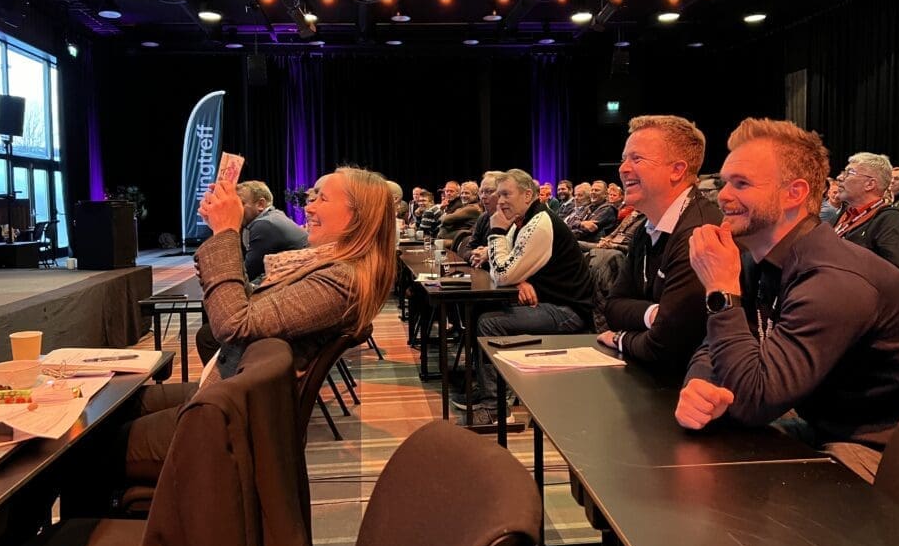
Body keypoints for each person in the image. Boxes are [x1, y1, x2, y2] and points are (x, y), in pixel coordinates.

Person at [676, 119, 899, 483]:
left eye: (741, 183)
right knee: (700, 462)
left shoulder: (833, 279)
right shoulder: (756, 261)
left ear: (794, 193)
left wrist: (720, 289)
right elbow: (714, 346)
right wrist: (701, 385)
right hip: (828, 425)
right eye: (726, 182)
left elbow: (754, 400)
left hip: (897, 452)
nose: (723, 196)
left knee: (736, 491)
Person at [122, 167, 397, 484]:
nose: (308, 207)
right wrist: (222, 234)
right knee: (124, 406)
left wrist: (225, 233)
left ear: (358, 217)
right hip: (232, 394)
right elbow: (251, 305)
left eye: (322, 199)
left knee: (97, 441)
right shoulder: (325, 266)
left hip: (233, 422)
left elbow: (233, 323)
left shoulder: (341, 280)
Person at [462, 169, 593, 425]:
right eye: (499, 195)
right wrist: (519, 278)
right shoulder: (524, 220)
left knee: (489, 323)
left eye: (506, 194)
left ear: (527, 195)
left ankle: (495, 409)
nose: (500, 201)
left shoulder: (539, 223)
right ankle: (488, 390)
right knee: (479, 310)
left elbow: (502, 273)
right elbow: (511, 263)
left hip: (567, 310)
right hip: (546, 301)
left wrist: (496, 233)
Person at [597, 115, 722, 376]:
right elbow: (613, 306)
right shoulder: (646, 229)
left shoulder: (700, 233)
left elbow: (665, 346)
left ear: (677, 170)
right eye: (624, 158)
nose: (623, 169)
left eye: (637, 159)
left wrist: (621, 339)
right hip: (648, 375)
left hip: (682, 386)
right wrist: (655, 314)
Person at [832, 152, 899, 276]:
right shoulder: (846, 213)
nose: (840, 177)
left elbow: (897, 277)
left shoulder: (892, 221)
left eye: (849, 173)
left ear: (870, 184)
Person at [236, 180, 309, 282]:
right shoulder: (274, 216)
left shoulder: (264, 225)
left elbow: (245, 276)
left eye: (240, 203)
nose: (235, 209)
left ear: (260, 204)